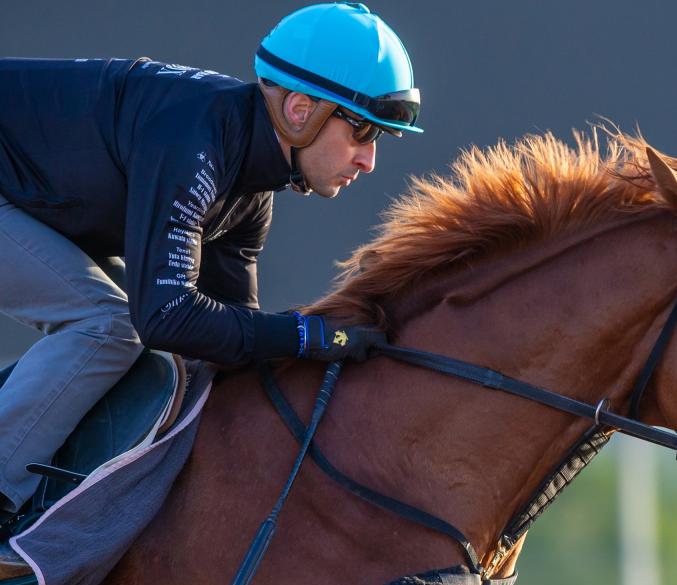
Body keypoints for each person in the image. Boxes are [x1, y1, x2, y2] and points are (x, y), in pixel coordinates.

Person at [0, 2, 418, 530]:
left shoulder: (248, 195)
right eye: (362, 132)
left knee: (132, 330)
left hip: (25, 191)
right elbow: (169, 318)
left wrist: (324, 357)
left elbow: (223, 341)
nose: (368, 159)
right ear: (299, 110)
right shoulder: (194, 142)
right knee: (110, 324)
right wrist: (306, 336)